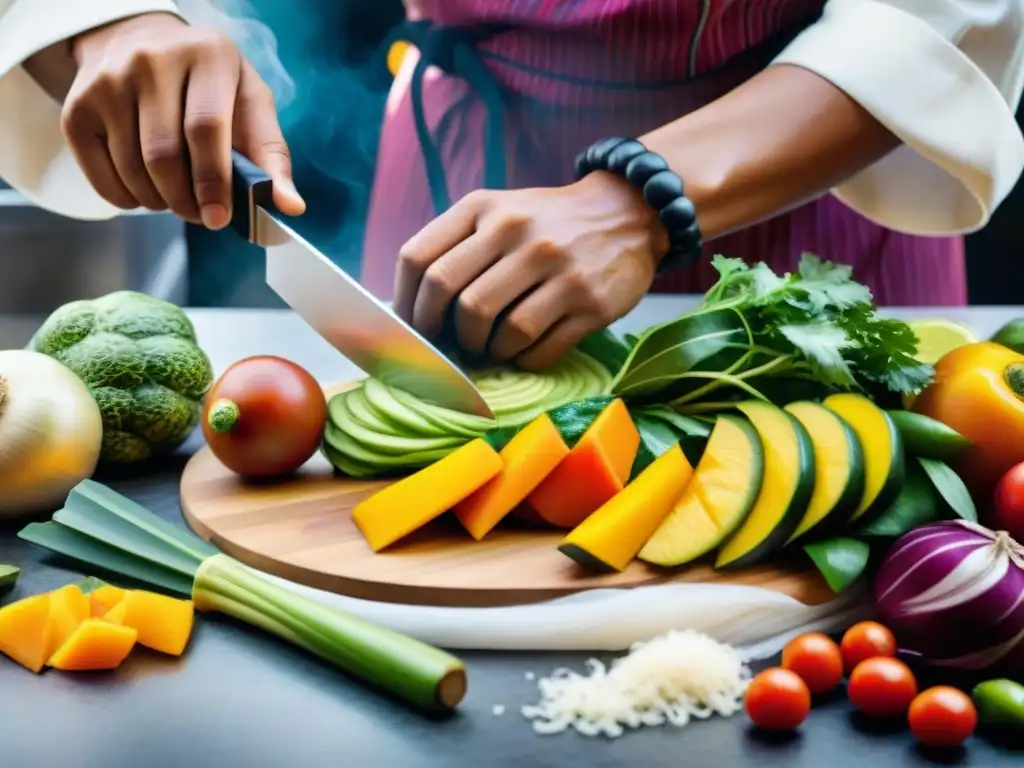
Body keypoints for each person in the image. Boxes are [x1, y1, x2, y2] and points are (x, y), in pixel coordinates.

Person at [2, 1, 1023, 371]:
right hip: (448, 186)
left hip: (803, 212)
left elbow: (935, 19)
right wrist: (115, 21)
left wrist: (643, 196)